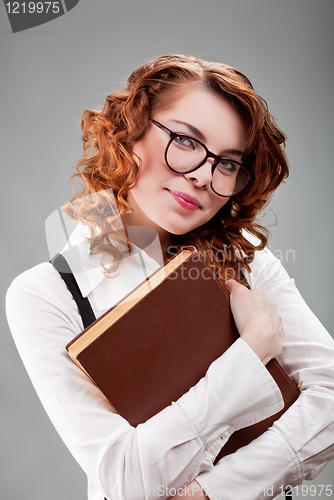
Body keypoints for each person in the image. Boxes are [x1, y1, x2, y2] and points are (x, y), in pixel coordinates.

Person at [6, 54, 334, 500]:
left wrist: (211, 493)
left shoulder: (246, 262)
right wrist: (249, 355)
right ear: (130, 131)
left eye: (228, 163)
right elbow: (126, 481)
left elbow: (331, 401)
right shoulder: (47, 295)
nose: (203, 175)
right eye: (184, 140)